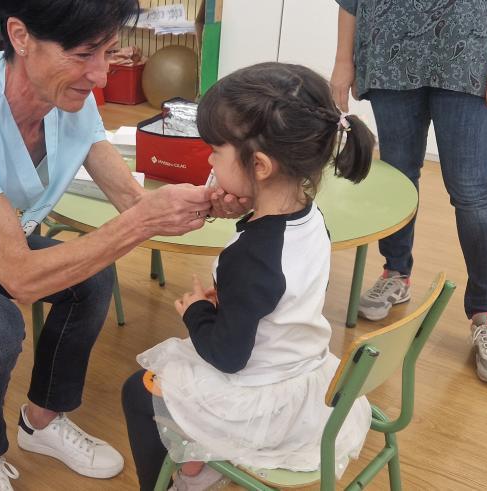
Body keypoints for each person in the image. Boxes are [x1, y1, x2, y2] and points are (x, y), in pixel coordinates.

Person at [0, 1, 249, 489]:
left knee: (91, 278)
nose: (99, 75)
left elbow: (131, 202)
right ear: (20, 35)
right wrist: (142, 221)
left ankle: (42, 421)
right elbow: (21, 278)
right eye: (83, 54)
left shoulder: (70, 99)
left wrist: (205, 200)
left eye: (109, 52)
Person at [121, 62, 377, 491]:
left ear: (259, 166)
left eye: (215, 151)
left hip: (260, 395)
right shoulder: (311, 218)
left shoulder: (250, 259)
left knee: (137, 391)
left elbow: (226, 356)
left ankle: (172, 481)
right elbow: (279, 295)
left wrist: (198, 311)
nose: (207, 157)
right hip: (308, 374)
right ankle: (198, 463)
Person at [330, 0, 487, 383]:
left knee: (473, 190)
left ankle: (486, 313)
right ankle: (396, 274)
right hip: (388, 48)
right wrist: (342, 60)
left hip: (472, 51)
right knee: (397, 177)